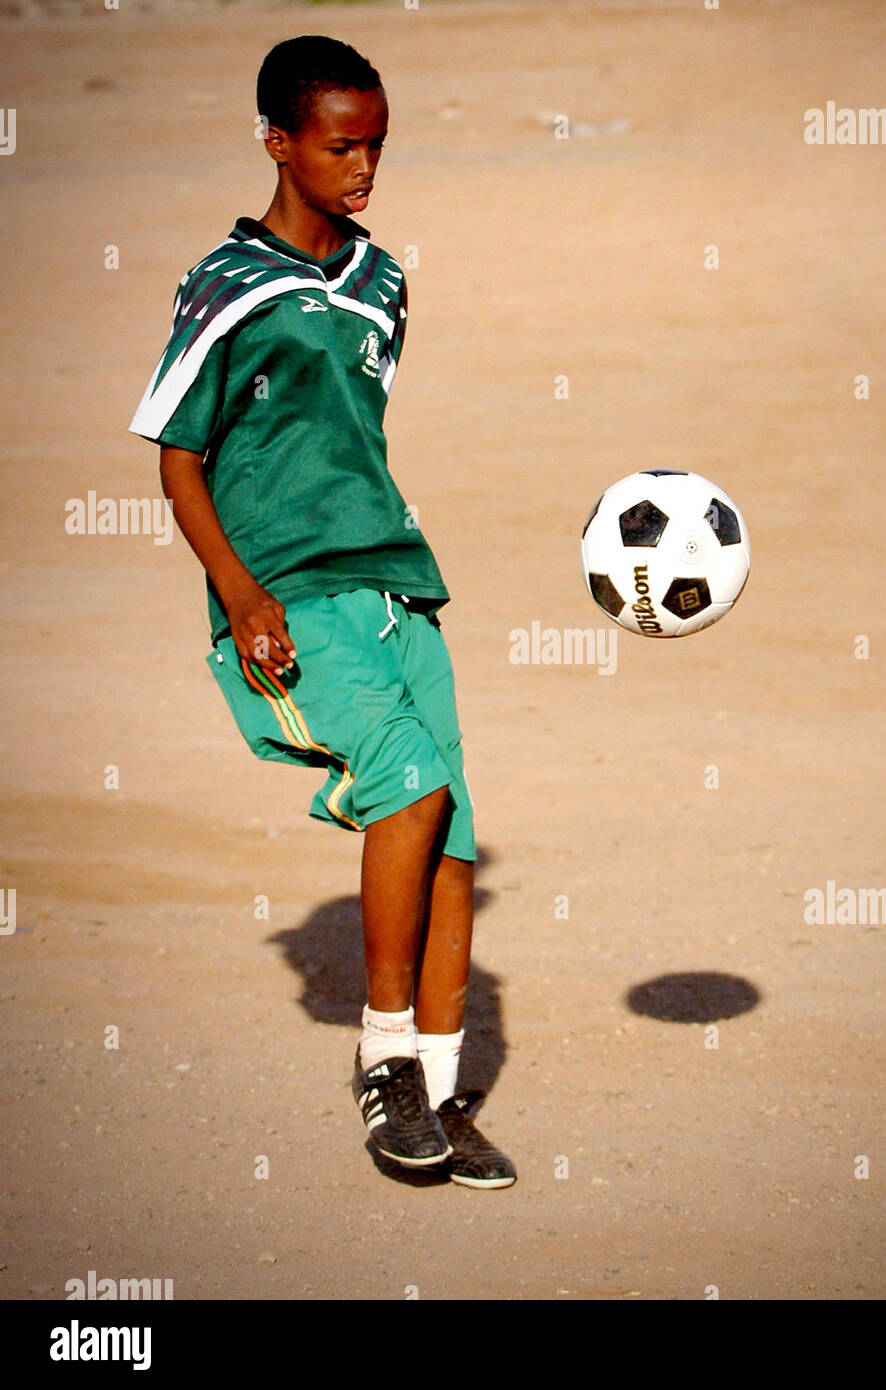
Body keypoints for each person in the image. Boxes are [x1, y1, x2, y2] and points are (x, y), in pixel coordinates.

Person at [128, 34, 515, 1189]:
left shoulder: (385, 279)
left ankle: (442, 1102)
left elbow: (356, 441)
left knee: (451, 841)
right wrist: (240, 595)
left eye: (377, 144)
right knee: (406, 777)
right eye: (342, 145)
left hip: (396, 584)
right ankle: (384, 1057)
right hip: (285, 597)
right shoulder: (225, 283)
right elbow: (181, 457)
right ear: (279, 142)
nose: (364, 166)